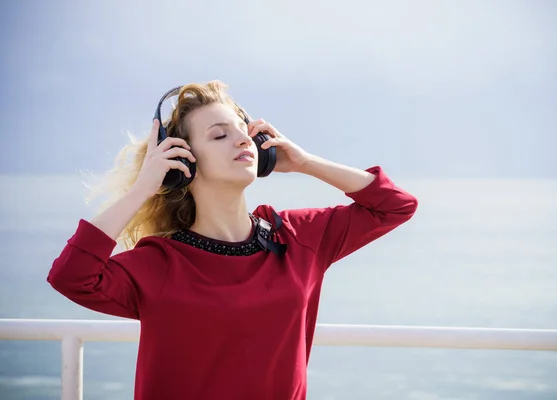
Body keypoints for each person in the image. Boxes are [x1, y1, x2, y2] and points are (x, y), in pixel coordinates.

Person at [47, 80, 419, 400]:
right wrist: (143, 188)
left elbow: (395, 206)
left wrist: (306, 162)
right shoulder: (159, 263)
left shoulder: (297, 238)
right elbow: (72, 276)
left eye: (244, 129)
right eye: (220, 134)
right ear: (184, 163)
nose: (243, 138)